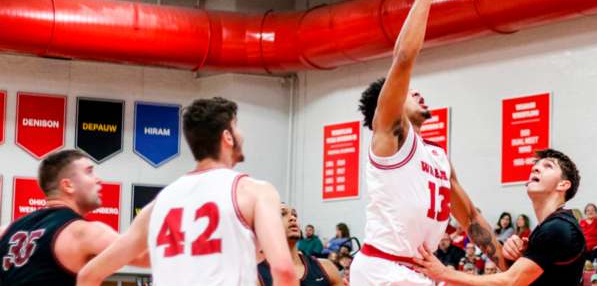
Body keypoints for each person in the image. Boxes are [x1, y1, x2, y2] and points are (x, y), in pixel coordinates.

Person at [351, 0, 504, 286]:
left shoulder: (437, 156)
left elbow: (471, 217)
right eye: (407, 92)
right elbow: (403, 59)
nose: (416, 91)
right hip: (383, 269)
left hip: (421, 272)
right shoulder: (390, 138)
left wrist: (509, 272)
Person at [76, 97, 297, 286]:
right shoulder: (254, 191)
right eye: (236, 126)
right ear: (227, 137)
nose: (242, 134)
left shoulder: (157, 205)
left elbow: (88, 275)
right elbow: (284, 271)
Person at [414, 149, 586, 286]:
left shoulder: (558, 228)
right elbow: (471, 219)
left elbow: (510, 281)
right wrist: (446, 178)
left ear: (564, 184)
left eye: (548, 166)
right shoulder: (548, 229)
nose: (535, 168)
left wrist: (445, 273)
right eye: (536, 165)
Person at [0, 150, 149, 285]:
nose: (98, 180)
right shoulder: (82, 232)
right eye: (89, 172)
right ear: (68, 185)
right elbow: (147, 256)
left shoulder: (5, 231)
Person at [258, 204, 342, 286]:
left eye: (294, 215)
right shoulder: (257, 276)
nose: (293, 218)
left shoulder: (326, 268)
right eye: (282, 214)